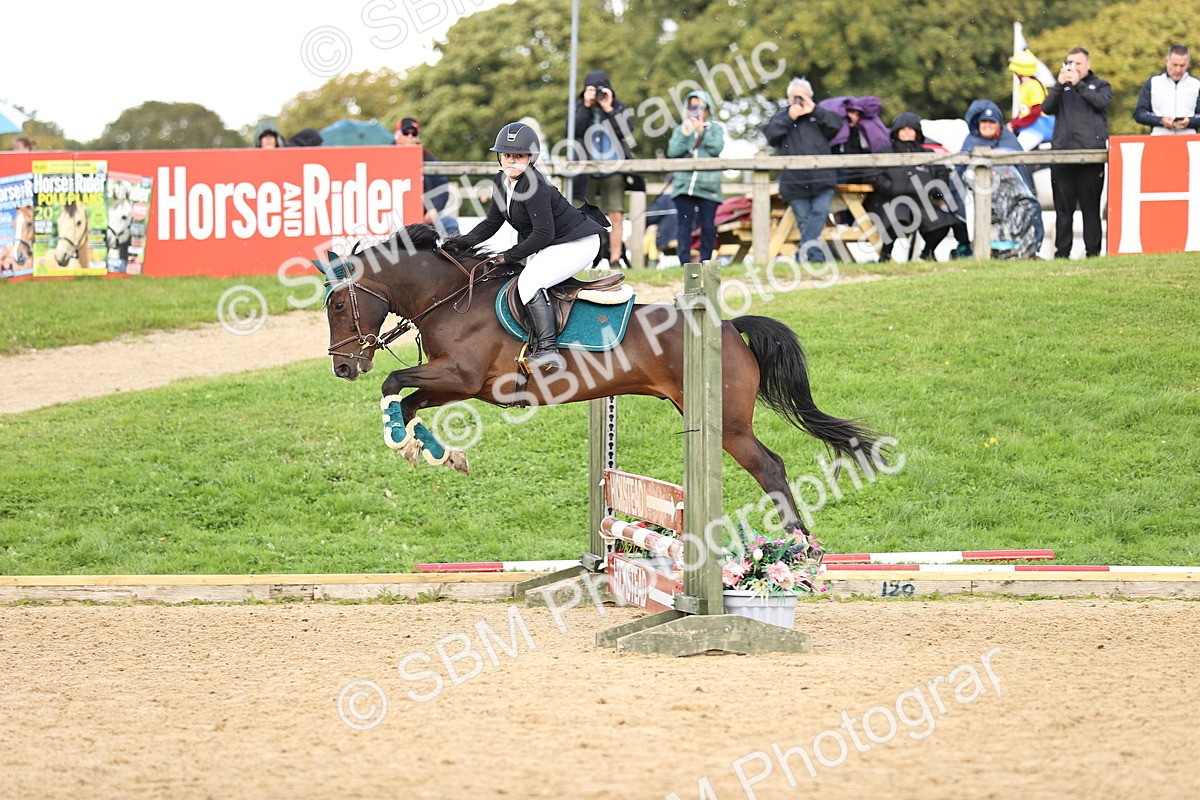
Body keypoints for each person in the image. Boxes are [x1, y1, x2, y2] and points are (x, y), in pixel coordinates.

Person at [451, 122, 608, 373]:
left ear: (531, 158)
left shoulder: (535, 186)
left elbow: (543, 235)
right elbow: (492, 222)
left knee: (529, 282)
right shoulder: (501, 181)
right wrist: (459, 243)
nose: (511, 161)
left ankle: (548, 351)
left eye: (519, 156)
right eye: (506, 155)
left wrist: (508, 256)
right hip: (556, 242)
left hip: (578, 243)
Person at [763, 77, 843, 263]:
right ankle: (814, 257)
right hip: (794, 183)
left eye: (802, 96)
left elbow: (837, 126)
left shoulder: (820, 115)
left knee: (819, 213)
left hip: (823, 179)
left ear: (810, 97)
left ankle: (804, 255)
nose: (798, 100)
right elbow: (770, 135)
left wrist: (814, 109)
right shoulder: (781, 117)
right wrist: (790, 117)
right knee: (805, 221)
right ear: (788, 97)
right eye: (795, 96)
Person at [1042, 47, 1111, 259]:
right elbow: (1046, 108)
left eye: (1078, 64)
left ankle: (1093, 252)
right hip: (1062, 156)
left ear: (1088, 64)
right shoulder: (1061, 88)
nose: (1073, 67)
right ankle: (1062, 253)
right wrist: (1059, 85)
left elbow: (1101, 103)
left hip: (1090, 157)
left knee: (1091, 209)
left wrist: (1078, 85)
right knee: (1063, 210)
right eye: (1070, 63)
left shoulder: (1100, 85)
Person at [869, 112, 961, 262]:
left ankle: (927, 253)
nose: (907, 133)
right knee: (897, 217)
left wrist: (935, 191)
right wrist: (889, 187)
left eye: (910, 129)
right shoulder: (884, 153)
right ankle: (885, 255)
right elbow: (872, 174)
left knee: (945, 222)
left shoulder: (929, 154)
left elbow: (942, 174)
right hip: (889, 200)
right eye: (903, 129)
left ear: (917, 133)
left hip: (921, 202)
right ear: (896, 131)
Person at [961, 99, 1044, 253]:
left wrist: (1031, 194)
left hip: (1012, 194)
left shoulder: (1009, 141)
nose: (987, 125)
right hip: (980, 194)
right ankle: (987, 251)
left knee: (1030, 207)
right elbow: (960, 173)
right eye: (984, 122)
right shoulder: (970, 141)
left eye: (992, 122)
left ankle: (1026, 250)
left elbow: (1023, 170)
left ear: (999, 124)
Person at [572, 70, 635, 266]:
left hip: (613, 168)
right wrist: (586, 105)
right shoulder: (580, 108)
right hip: (586, 169)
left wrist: (609, 108)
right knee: (583, 214)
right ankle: (585, 258)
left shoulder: (616, 107)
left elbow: (627, 131)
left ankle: (616, 258)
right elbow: (574, 130)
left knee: (616, 213)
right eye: (591, 89)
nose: (597, 94)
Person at [667, 90, 725, 264]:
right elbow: (673, 152)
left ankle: (706, 262)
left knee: (708, 226)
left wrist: (702, 133)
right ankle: (684, 263)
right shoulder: (680, 129)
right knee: (684, 226)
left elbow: (716, 148)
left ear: (707, 108)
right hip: (684, 187)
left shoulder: (716, 128)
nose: (696, 110)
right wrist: (686, 135)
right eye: (692, 106)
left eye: (699, 106)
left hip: (709, 188)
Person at [395, 116, 459, 236]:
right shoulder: (384, 155)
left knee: (450, 225)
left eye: (414, 134)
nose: (410, 137)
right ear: (397, 135)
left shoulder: (427, 157)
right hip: (394, 217)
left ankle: (453, 255)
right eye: (405, 132)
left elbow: (442, 186)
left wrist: (434, 209)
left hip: (423, 218)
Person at [1133, 44, 1200, 135]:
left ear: (1188, 64)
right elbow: (1139, 114)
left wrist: (1190, 121)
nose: (1178, 70)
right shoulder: (1153, 82)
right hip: (1159, 140)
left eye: (1182, 65)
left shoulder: (1196, 84)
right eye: (1174, 65)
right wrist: (1160, 121)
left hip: (1188, 141)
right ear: (1167, 61)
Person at [1007, 49, 1055, 150]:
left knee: (1016, 150)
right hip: (1029, 125)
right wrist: (1013, 123)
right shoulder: (1024, 85)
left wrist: (1016, 124)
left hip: (1037, 127)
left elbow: (1036, 111)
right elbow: (1024, 112)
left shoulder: (1033, 85)